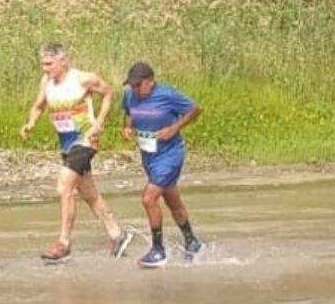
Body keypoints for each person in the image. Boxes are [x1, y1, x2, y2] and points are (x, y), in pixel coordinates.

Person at [20, 42, 134, 263]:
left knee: (64, 187)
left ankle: (64, 244)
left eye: (49, 64)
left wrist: (99, 123)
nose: (45, 69)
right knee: (88, 192)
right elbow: (38, 105)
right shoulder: (46, 81)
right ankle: (117, 235)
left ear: (63, 61)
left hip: (85, 140)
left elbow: (109, 93)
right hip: (66, 143)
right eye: (43, 64)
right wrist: (31, 123)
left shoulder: (83, 78)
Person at [121, 62, 204, 267]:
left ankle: (158, 250)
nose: (135, 89)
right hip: (149, 156)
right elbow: (129, 112)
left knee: (149, 199)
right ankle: (192, 241)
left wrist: (174, 128)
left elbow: (195, 109)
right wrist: (127, 127)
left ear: (150, 81)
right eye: (132, 85)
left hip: (170, 155)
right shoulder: (130, 94)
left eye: (139, 85)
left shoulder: (167, 95)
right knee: (172, 201)